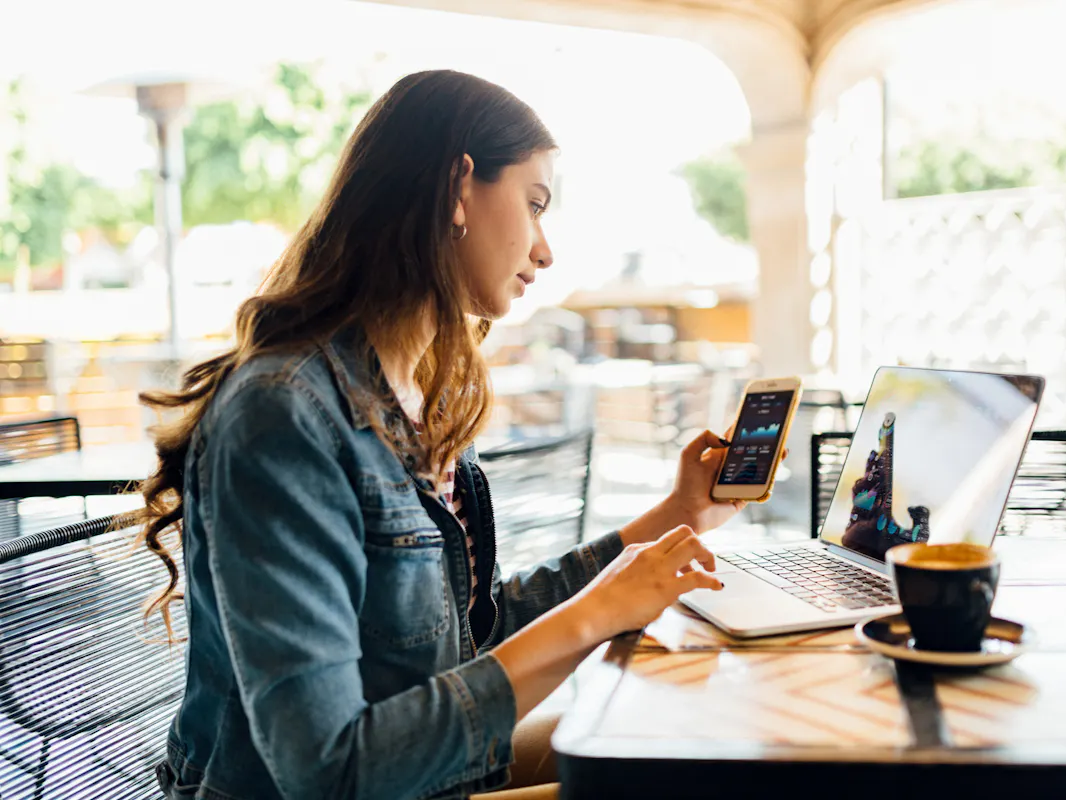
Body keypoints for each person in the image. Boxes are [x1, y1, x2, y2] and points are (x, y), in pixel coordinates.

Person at [139, 70, 747, 800]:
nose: (546, 250)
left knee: (693, 747)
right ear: (460, 187)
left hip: (419, 778)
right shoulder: (284, 414)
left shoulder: (407, 398)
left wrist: (678, 517)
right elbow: (328, 771)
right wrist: (597, 615)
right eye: (535, 203)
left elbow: (474, 630)